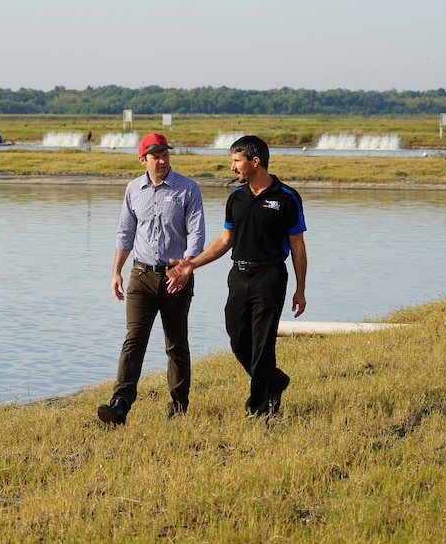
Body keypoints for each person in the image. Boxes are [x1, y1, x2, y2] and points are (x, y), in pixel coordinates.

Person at [167, 135, 307, 417]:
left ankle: (260, 409)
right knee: (238, 339)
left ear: (255, 162)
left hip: (270, 277)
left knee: (263, 344)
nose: (232, 167)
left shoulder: (287, 197)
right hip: (238, 276)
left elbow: (297, 246)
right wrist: (191, 263)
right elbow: (225, 240)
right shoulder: (236, 198)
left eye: (236, 160)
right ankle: (275, 381)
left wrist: (300, 289)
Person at [97, 133, 206, 425]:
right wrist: (116, 271)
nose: (162, 159)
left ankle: (178, 405)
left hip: (176, 277)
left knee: (176, 343)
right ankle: (119, 405)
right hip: (141, 276)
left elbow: (197, 234)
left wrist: (187, 268)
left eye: (165, 154)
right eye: (156, 155)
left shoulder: (188, 189)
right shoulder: (134, 190)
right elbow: (125, 233)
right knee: (134, 340)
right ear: (142, 158)